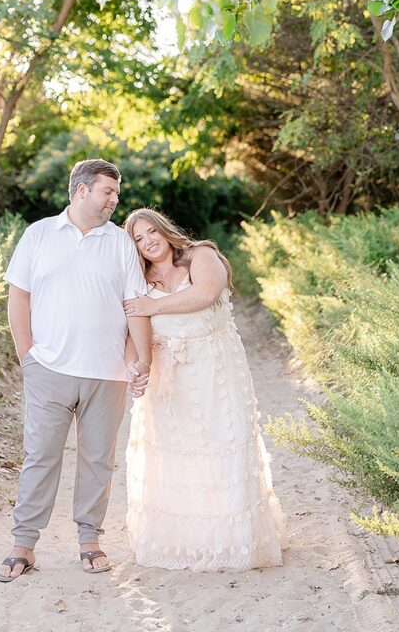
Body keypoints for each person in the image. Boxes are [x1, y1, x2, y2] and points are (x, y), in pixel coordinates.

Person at [0, 159, 152, 584]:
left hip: (108, 373)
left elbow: (135, 306)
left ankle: (89, 540)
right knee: (40, 456)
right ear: (82, 191)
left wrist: (142, 360)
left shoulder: (120, 243)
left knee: (98, 459)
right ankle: (23, 545)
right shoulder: (38, 234)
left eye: (116, 194)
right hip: (49, 369)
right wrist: (27, 357)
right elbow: (18, 300)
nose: (114, 201)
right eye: (108, 192)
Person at [123, 208, 287, 572]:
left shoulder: (201, 255)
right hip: (168, 379)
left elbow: (206, 294)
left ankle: (232, 542)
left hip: (216, 370)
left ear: (165, 230)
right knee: (177, 453)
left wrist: (155, 305)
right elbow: (134, 328)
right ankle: (186, 543)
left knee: (219, 445)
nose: (148, 240)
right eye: (138, 237)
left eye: (152, 231)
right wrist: (137, 366)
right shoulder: (137, 278)